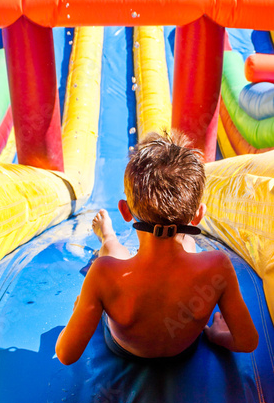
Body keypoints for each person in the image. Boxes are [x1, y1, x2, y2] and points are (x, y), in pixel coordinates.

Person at [55, 130, 258, 364]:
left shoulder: (103, 273)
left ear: (124, 211)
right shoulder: (218, 267)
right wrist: (215, 335)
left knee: (114, 252)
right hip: (183, 351)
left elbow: (66, 354)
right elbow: (247, 342)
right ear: (198, 215)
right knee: (189, 244)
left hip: (125, 349)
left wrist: (78, 312)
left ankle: (107, 235)